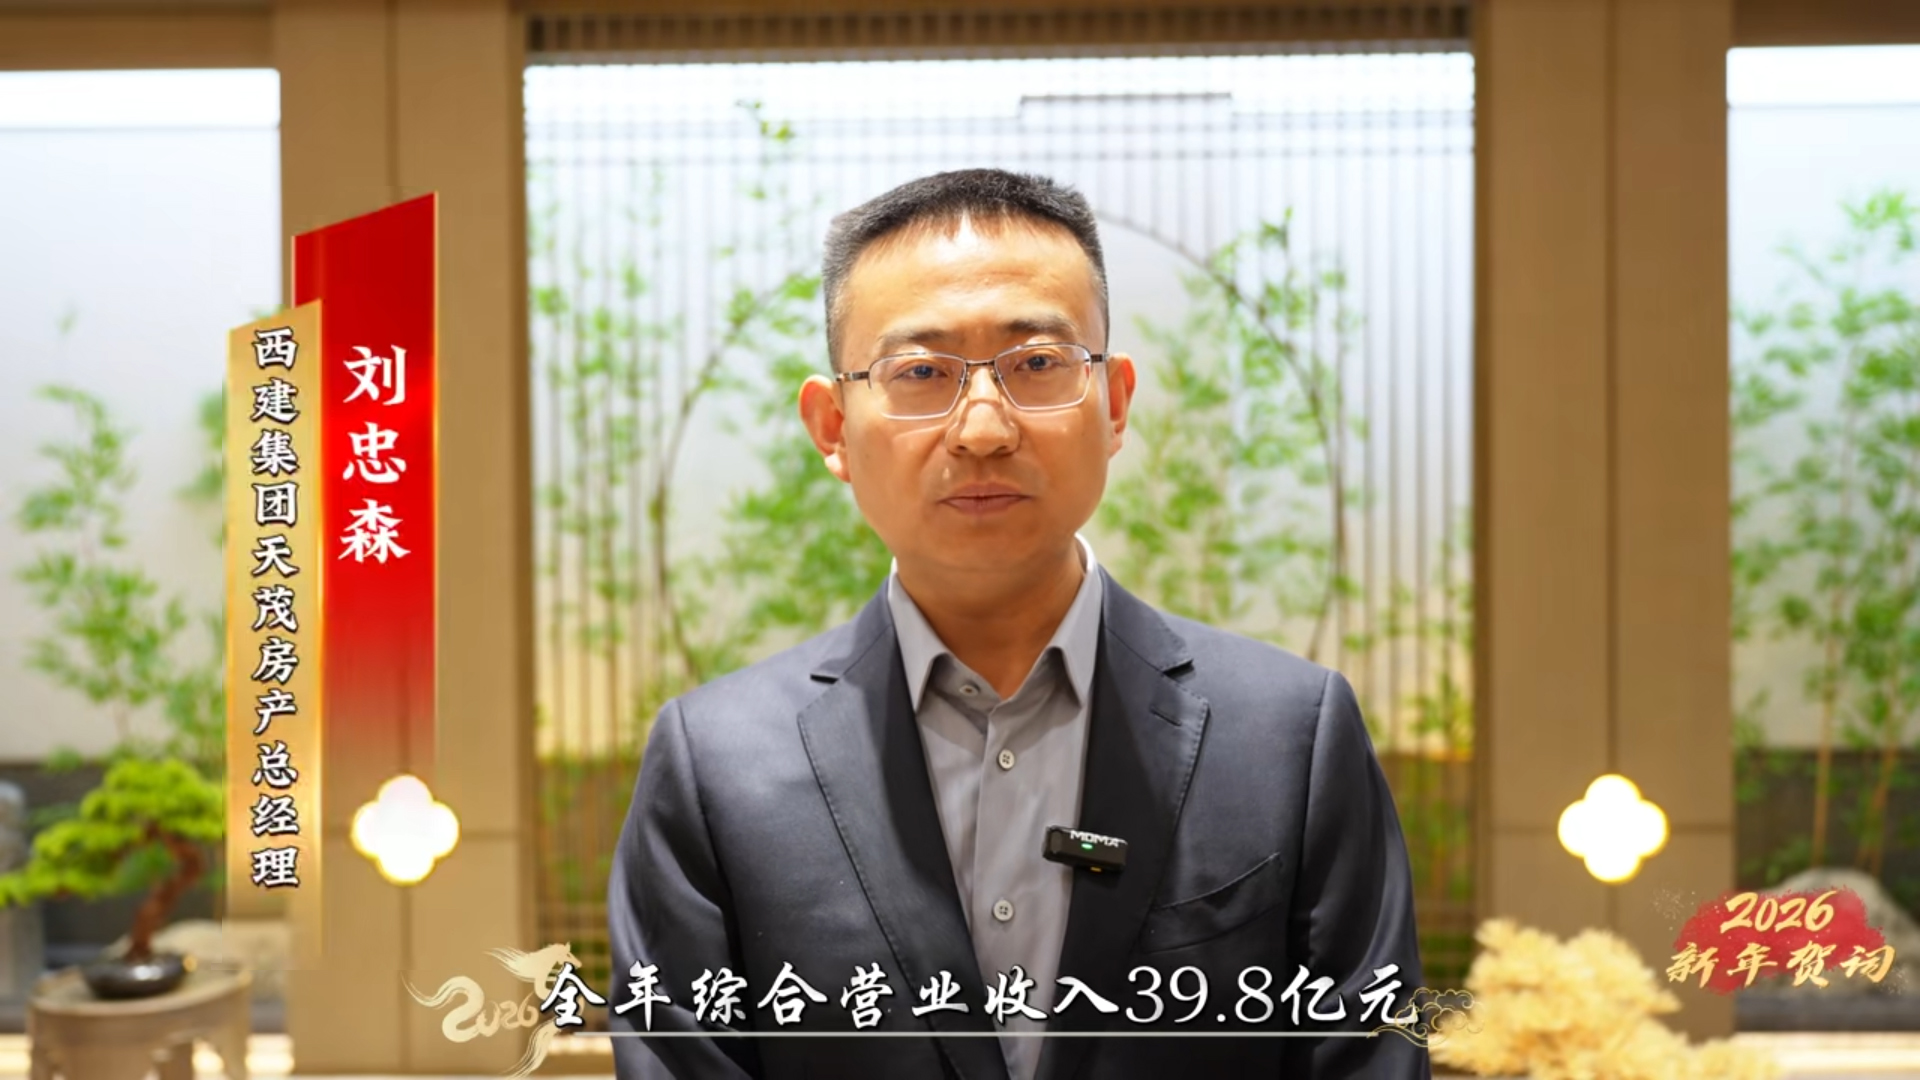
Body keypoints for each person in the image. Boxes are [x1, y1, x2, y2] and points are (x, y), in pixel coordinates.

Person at [608, 168, 1430, 1080]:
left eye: (1037, 364)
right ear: (832, 426)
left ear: (1114, 404)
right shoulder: (715, 767)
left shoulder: (1291, 737)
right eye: (921, 373)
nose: (983, 429)